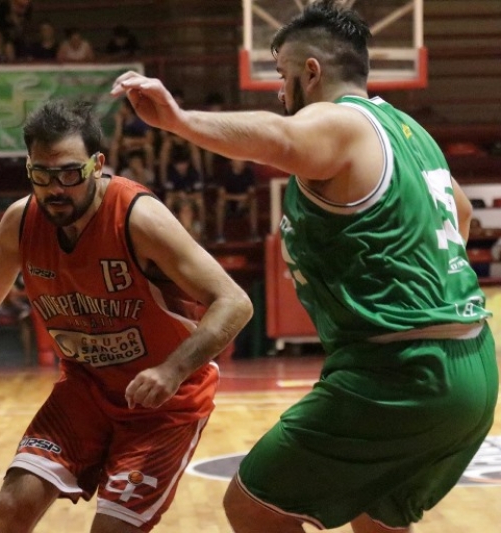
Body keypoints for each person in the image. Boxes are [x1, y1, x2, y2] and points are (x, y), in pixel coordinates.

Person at [111, 2, 498, 532]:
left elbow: (278, 135)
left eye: (282, 75)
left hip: (401, 369)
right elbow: (462, 212)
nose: (279, 90)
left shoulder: (337, 123)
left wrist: (179, 121)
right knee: (376, 517)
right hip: (472, 364)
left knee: (253, 506)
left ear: (311, 72)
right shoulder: (411, 132)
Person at [0, 99, 253, 532]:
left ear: (97, 165)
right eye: (41, 176)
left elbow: (234, 302)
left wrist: (172, 369)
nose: (55, 188)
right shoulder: (22, 222)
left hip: (162, 404)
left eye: (68, 174)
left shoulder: (139, 219)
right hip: (86, 390)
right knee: (12, 505)